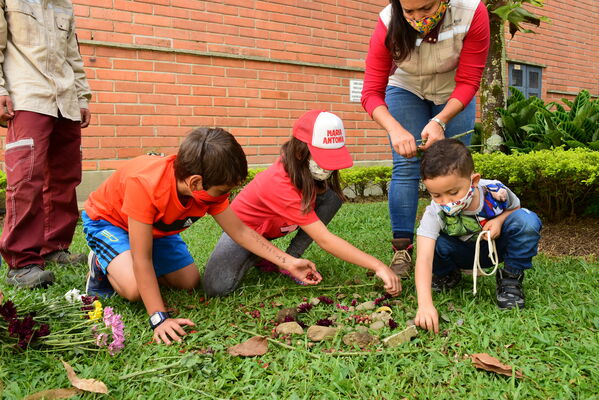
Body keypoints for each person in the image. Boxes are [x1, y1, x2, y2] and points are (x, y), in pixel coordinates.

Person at [82, 128, 320, 345]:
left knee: (188, 283)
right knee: (134, 289)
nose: (225, 196)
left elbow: (240, 231)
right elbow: (142, 259)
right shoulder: (145, 185)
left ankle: (124, 261)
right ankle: (101, 262)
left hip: (157, 229)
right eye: (223, 191)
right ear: (196, 182)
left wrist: (289, 262)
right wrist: (159, 318)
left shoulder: (206, 185)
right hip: (110, 222)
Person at [203, 110, 401, 298]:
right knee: (217, 286)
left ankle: (290, 259)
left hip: (277, 224)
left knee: (332, 197)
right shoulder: (279, 182)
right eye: (323, 158)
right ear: (300, 152)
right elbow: (325, 240)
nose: (329, 167)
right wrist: (378, 266)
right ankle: (265, 257)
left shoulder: (303, 173)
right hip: (244, 231)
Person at [361, 0, 490, 278]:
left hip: (454, 89)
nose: (418, 17)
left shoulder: (471, 11)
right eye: (409, 12)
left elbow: (469, 80)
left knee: (454, 168)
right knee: (406, 166)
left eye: (426, 8)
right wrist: (395, 129)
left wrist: (440, 120)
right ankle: (402, 250)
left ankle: (457, 246)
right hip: (406, 87)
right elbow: (371, 92)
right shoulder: (387, 22)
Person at [0, 0, 92, 288]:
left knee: (66, 177)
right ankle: (22, 261)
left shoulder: (63, 4)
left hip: (65, 99)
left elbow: (73, 55)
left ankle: (54, 247)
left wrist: (81, 96)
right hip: (28, 96)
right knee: (26, 178)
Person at [413, 139, 542, 333]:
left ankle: (510, 279)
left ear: (473, 181)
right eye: (436, 195)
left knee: (527, 220)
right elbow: (423, 258)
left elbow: (516, 209)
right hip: (460, 253)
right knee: (433, 242)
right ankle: (447, 274)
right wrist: (424, 305)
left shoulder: (495, 191)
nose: (446, 202)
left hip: (494, 250)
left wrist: (499, 220)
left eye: (453, 192)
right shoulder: (435, 212)